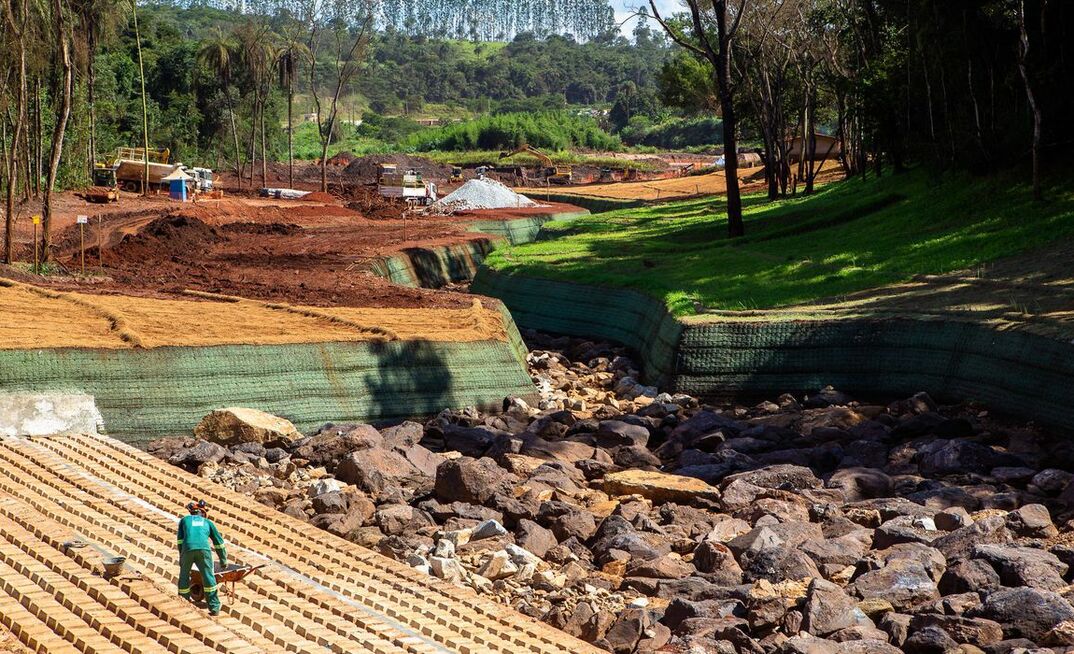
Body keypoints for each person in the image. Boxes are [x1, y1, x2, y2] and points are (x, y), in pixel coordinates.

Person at [177, 499, 228, 615]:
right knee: (208, 577)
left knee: (184, 576)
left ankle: (183, 602)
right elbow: (218, 543)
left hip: (187, 550)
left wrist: (182, 556)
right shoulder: (208, 522)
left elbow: (180, 541)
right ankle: (214, 607)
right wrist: (223, 560)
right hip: (204, 550)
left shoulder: (184, 520)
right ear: (203, 512)